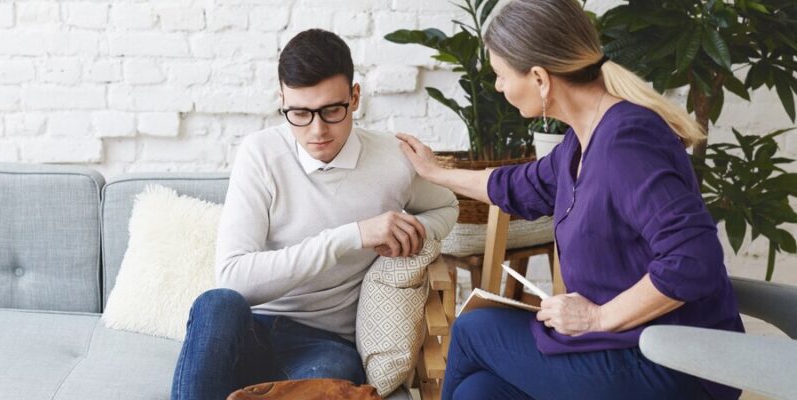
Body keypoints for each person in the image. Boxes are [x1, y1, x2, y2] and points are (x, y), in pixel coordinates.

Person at [397, 1, 744, 399]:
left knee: (475, 330)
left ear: (541, 79)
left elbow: (693, 261)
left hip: (674, 365)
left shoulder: (626, 145)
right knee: (479, 392)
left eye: (501, 76)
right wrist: (436, 173)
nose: (498, 87)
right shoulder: (579, 143)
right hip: (622, 348)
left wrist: (598, 316)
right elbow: (516, 185)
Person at [170, 29, 458, 400]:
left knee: (336, 379)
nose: (317, 130)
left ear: (354, 98)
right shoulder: (260, 154)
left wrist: (411, 230)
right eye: (300, 113)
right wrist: (350, 236)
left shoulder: (392, 159)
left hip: (324, 343)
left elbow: (446, 206)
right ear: (282, 100)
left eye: (331, 111)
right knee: (217, 303)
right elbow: (234, 279)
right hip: (250, 329)